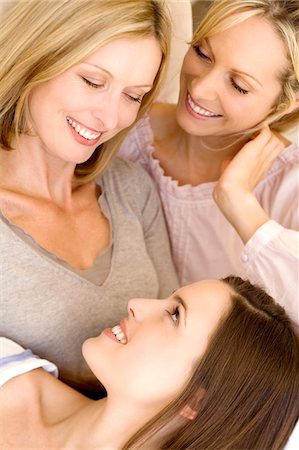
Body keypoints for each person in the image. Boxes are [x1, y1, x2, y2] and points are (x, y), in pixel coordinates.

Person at [0, 0, 179, 397]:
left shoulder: (132, 189)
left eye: (133, 96)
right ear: (37, 56)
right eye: (93, 81)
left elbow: (178, 361)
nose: (110, 117)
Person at [119, 0, 299, 324]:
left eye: (239, 85)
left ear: (285, 104)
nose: (200, 89)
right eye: (202, 53)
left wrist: (240, 204)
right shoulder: (124, 128)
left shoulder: (291, 185)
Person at [1, 276, 298, 449]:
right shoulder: (8, 370)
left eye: (175, 315)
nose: (137, 303)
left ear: (196, 400)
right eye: (169, 300)